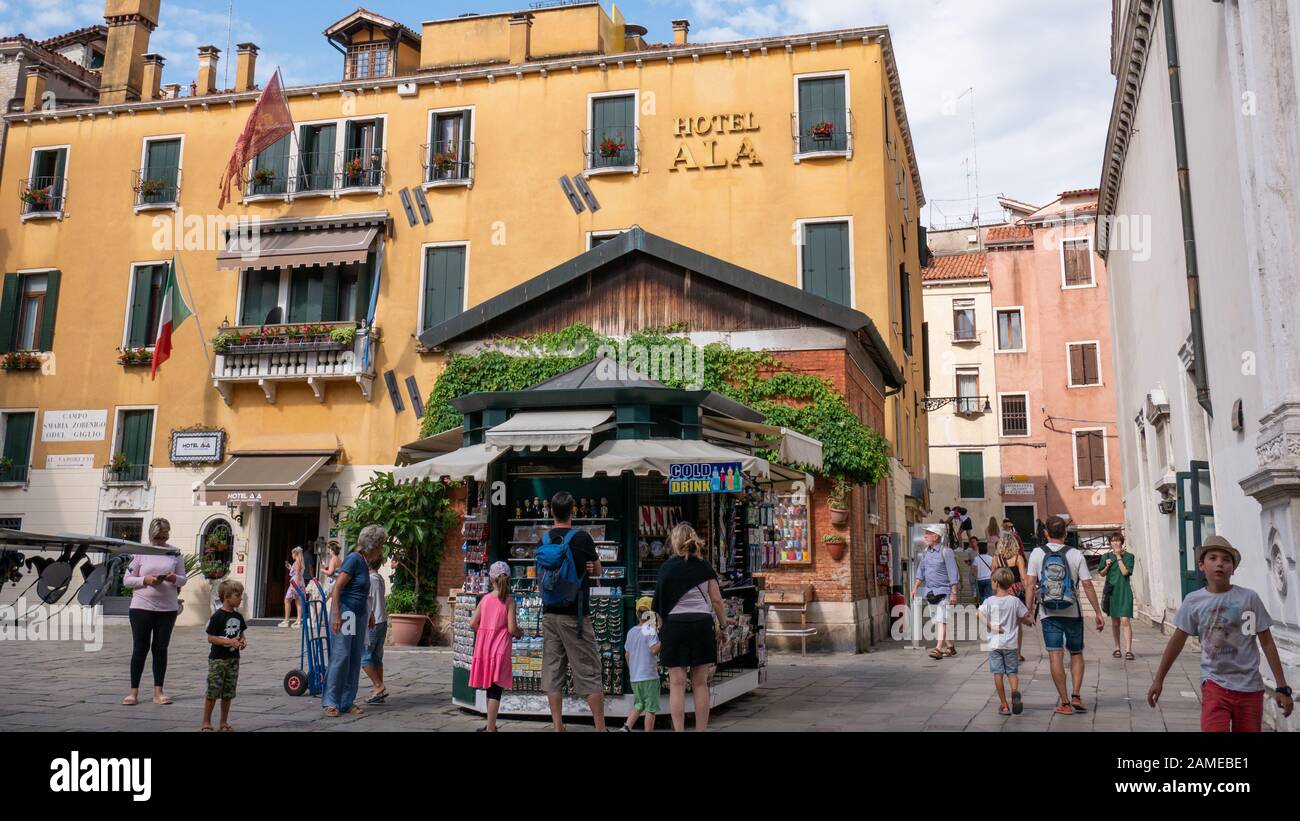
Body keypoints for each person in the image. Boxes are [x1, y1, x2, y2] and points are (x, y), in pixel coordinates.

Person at [1148, 536, 1294, 731]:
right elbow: (1177, 641)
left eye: (1226, 560)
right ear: (1201, 565)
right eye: (1213, 558)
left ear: (1233, 569)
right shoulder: (1193, 601)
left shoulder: (1248, 598)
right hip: (1214, 685)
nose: (1219, 564)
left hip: (1250, 688)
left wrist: (1282, 686)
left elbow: (1267, 642)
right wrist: (1159, 679)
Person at [538, 491, 605, 732]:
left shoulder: (544, 540)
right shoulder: (582, 539)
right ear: (573, 511)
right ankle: (600, 728)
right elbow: (597, 571)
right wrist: (590, 566)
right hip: (575, 616)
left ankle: (558, 726)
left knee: (553, 670)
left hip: (549, 615)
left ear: (552, 512)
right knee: (588, 669)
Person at [654, 523, 730, 732]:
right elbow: (716, 600)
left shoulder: (666, 568)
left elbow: (659, 604)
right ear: (694, 540)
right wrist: (723, 626)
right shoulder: (705, 567)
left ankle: (679, 730)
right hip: (701, 625)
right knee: (700, 683)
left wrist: (662, 631)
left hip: (674, 626)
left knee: (676, 684)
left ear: (675, 542)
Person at [1025, 515, 1103, 715]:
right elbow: (1086, 584)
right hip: (1072, 611)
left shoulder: (1036, 553)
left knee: (1055, 654)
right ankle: (1077, 694)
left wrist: (1027, 610)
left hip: (1048, 612)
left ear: (1045, 533)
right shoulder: (1076, 554)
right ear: (1066, 533)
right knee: (1076, 653)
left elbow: (1030, 584)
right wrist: (1097, 612)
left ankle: (1065, 702)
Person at [122, 518, 188, 706]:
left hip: (167, 609)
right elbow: (127, 579)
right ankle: (133, 692)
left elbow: (183, 580)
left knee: (160, 649)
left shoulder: (174, 553)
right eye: (157, 537)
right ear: (150, 535)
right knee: (140, 648)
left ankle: (158, 692)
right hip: (141, 607)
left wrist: (174, 578)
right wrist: (146, 580)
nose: (160, 540)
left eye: (163, 536)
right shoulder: (140, 552)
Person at [322, 526, 385, 718]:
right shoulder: (354, 560)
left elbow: (363, 592)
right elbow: (337, 588)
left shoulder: (363, 561)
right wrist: (336, 615)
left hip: (359, 615)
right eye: (381, 545)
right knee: (341, 656)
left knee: (355, 658)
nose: (382, 549)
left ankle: (346, 701)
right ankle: (331, 701)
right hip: (346, 614)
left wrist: (371, 614)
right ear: (373, 545)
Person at [469, 562, 522, 732]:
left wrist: (485, 631)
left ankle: (490, 725)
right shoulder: (509, 601)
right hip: (500, 648)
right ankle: (491, 727)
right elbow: (512, 628)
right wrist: (520, 632)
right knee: (495, 690)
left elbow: (472, 623)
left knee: (489, 687)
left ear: (491, 578)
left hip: (485, 648)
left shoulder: (485, 599)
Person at [978, 568, 1031, 716]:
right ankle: (1014, 692)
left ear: (995, 583)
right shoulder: (1015, 601)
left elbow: (979, 613)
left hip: (995, 644)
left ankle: (1004, 705)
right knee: (1012, 672)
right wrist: (1026, 620)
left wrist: (990, 625)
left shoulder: (989, 601)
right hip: (1011, 644)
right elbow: (1027, 617)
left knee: (998, 673)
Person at [201, 579, 247, 732]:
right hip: (218, 660)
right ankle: (206, 722)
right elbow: (210, 638)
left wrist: (242, 641)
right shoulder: (218, 616)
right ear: (227, 597)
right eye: (237, 595)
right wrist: (228, 642)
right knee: (213, 691)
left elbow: (241, 634)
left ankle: (223, 722)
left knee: (228, 692)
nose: (240, 598)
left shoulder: (239, 617)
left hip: (233, 660)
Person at [911, 523, 959, 659]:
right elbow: (921, 572)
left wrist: (954, 593)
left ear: (936, 537)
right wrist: (915, 588)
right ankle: (950, 646)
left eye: (928, 533)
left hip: (945, 592)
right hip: (931, 592)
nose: (925, 536)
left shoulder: (946, 552)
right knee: (939, 620)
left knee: (941, 620)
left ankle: (938, 649)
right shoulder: (926, 552)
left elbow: (953, 573)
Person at [619, 596, 662, 732]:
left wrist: (633, 669)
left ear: (637, 614)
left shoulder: (631, 632)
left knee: (638, 704)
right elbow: (654, 649)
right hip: (649, 676)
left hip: (635, 677)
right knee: (650, 708)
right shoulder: (650, 630)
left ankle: (626, 728)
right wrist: (664, 639)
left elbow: (627, 654)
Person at [1097, 531, 1137, 660]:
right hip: (1112, 592)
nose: (1115, 543)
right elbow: (1101, 574)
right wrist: (1107, 566)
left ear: (1121, 542)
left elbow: (1125, 572)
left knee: (1125, 620)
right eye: (1113, 541)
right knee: (1115, 622)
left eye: (1117, 540)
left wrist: (1118, 556)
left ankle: (1129, 650)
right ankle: (1117, 648)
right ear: (1110, 543)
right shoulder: (1106, 556)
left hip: (1124, 591)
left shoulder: (1129, 557)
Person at [991, 532, 1029, 662]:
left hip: (1002, 592)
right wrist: (1027, 591)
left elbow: (993, 577)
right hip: (1016, 593)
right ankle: (1017, 653)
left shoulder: (996, 559)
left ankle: (1003, 650)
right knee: (1017, 624)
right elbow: (1024, 578)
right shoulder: (1018, 558)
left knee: (1002, 622)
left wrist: (994, 592)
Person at [361, 551, 389, 705]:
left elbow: (366, 601)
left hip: (373, 622)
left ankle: (378, 686)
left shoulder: (369, 580)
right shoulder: (380, 578)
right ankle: (379, 691)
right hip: (382, 621)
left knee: (364, 657)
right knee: (377, 658)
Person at [279, 546, 305, 628]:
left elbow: (296, 574)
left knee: (287, 600)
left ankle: (286, 620)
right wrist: (290, 567)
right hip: (300, 583)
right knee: (298, 602)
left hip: (295, 583)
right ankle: (298, 621)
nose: (291, 555)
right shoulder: (299, 562)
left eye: (292, 553)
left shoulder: (297, 563)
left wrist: (295, 586)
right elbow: (297, 572)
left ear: (295, 554)